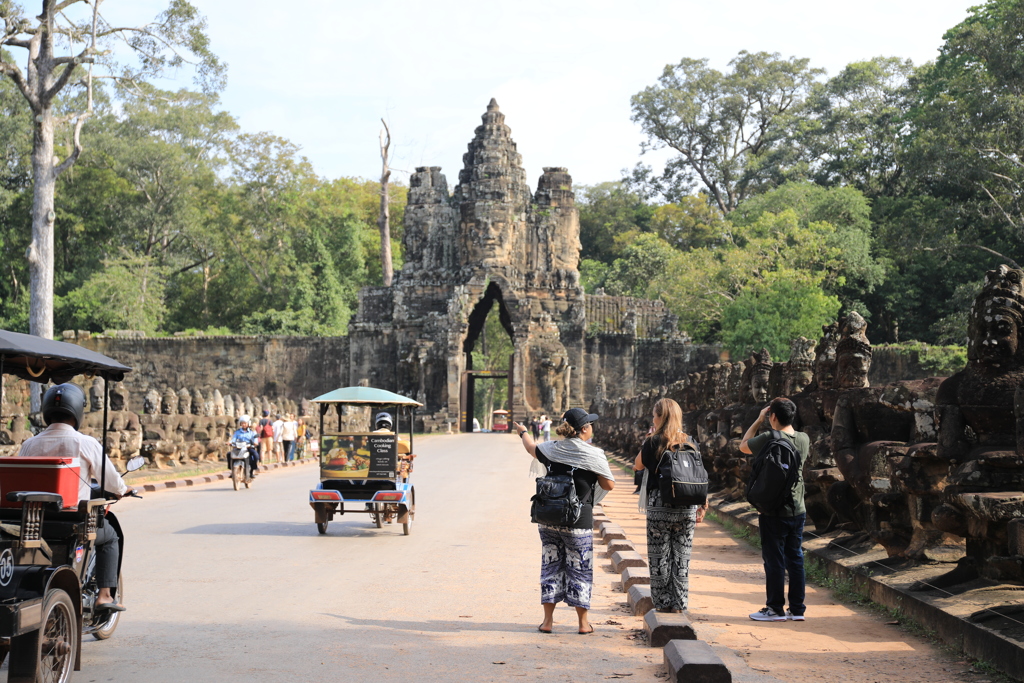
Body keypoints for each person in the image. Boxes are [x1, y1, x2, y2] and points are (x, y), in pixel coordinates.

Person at [18, 383, 134, 611]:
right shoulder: (85, 443)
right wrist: (123, 489)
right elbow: (112, 482)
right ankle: (104, 596)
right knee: (110, 536)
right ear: (78, 411)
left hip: (33, 525)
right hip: (72, 525)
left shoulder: (29, 444)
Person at [513, 408, 616, 635]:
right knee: (580, 569)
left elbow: (531, 448)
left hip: (549, 518)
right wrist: (593, 473)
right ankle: (582, 624)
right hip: (578, 520)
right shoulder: (593, 454)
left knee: (551, 567)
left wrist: (522, 432)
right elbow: (609, 485)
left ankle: (548, 621)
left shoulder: (552, 448)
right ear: (584, 429)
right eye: (590, 424)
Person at [633, 398, 707, 613]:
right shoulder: (690, 441)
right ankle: (679, 603)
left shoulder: (653, 441)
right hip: (687, 505)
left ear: (661, 417)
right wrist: (702, 504)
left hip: (660, 505)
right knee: (681, 557)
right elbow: (698, 473)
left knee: (659, 558)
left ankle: (663, 603)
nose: (653, 419)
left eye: (655, 415)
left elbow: (638, 465)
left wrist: (648, 438)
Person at [740, 397, 810, 622]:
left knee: (774, 559)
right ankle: (797, 609)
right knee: (795, 557)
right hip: (798, 508)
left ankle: (775, 608)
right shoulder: (804, 438)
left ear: (773, 416)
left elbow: (743, 446)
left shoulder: (770, 436)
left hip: (773, 509)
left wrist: (758, 420)